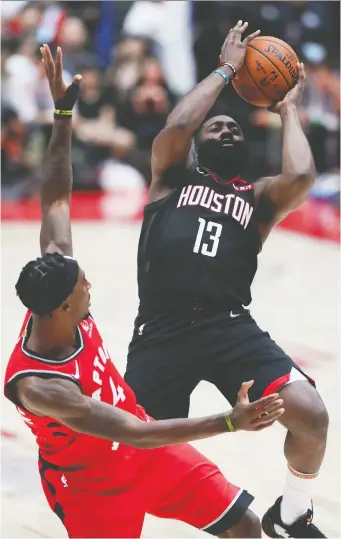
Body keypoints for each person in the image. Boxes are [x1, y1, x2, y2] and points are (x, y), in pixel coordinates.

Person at [3, 45, 285, 539]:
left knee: (246, 527)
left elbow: (56, 199)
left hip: (148, 453)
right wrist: (230, 423)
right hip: (92, 485)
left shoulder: (54, 296)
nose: (90, 284)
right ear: (64, 306)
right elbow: (131, 430)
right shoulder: (39, 386)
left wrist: (64, 113)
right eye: (83, 284)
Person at [124, 20, 328, 539]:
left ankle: (292, 515)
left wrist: (287, 108)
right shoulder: (171, 178)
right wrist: (227, 69)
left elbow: (302, 177)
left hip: (227, 326)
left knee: (311, 414)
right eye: (215, 125)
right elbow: (176, 126)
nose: (226, 127)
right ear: (196, 143)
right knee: (134, 457)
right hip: (162, 331)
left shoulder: (255, 199)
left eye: (234, 127)